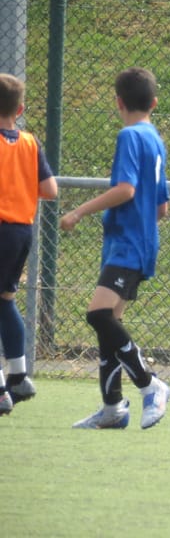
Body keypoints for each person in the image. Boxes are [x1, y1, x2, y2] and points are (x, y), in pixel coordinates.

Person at [60, 67, 170, 429]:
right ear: (154, 103)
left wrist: (78, 211)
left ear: (118, 102)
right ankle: (111, 408)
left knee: (98, 316)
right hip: (139, 241)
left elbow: (126, 189)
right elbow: (162, 207)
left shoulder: (129, 136)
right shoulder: (155, 138)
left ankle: (150, 384)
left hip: (127, 243)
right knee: (109, 324)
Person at [0, 74, 58, 416]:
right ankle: (19, 374)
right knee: (5, 300)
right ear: (20, 109)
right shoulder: (29, 142)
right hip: (22, 231)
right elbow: (50, 190)